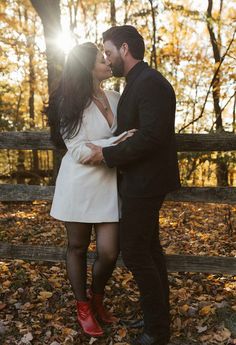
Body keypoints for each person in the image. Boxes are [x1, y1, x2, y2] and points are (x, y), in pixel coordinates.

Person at [82, 26, 181, 345]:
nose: (107, 60)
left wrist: (107, 154)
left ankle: (157, 331)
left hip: (146, 181)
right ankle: (157, 319)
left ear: (125, 49)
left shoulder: (151, 83)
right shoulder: (136, 83)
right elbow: (133, 132)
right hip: (138, 179)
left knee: (137, 252)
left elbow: (153, 136)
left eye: (108, 52)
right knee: (149, 250)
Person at [47, 42, 134, 337]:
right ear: (88, 67)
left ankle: (97, 298)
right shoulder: (69, 102)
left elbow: (129, 134)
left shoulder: (115, 97)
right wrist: (118, 143)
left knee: (109, 252)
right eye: (101, 59)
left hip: (109, 186)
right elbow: (79, 152)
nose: (108, 62)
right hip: (79, 185)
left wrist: (121, 143)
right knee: (77, 247)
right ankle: (82, 306)